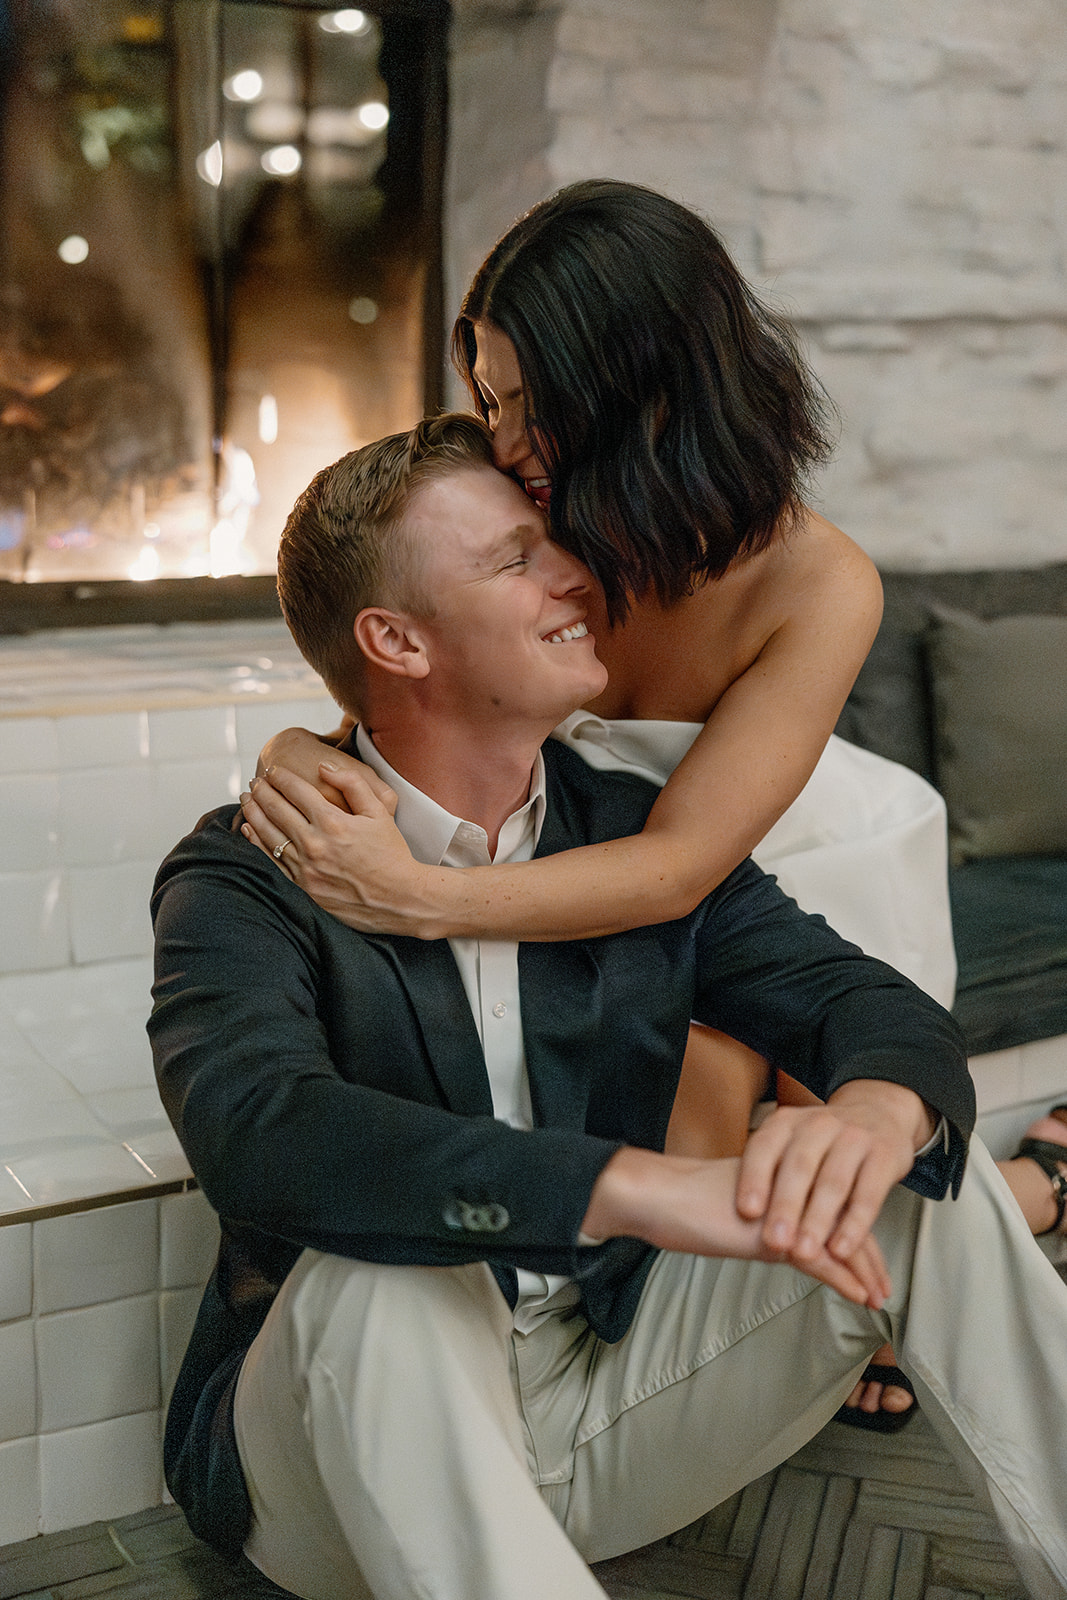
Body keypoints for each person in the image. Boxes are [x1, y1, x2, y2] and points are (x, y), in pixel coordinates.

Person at [150, 413, 1067, 1600]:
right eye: (513, 559)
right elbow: (262, 1131)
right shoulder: (249, 871)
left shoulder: (630, 835)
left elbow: (858, 1000)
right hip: (335, 1466)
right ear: (395, 639)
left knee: (903, 1170)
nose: (575, 576)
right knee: (383, 1279)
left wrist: (873, 1118)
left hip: (611, 1392)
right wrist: (635, 1188)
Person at [242, 180, 1061, 1426]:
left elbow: (679, 866)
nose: (503, 441)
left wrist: (420, 895)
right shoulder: (543, 510)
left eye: (528, 402)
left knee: (798, 1165)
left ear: (637, 385)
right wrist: (302, 746)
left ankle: (1023, 1197)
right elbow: (411, 658)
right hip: (578, 840)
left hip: (764, 849)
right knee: (682, 1194)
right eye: (489, 399)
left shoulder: (816, 580)